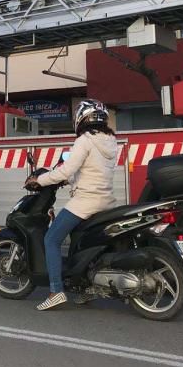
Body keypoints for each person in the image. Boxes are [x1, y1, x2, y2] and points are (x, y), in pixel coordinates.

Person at [25, 100, 118, 311]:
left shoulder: (85, 140)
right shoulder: (111, 141)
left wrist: (39, 180)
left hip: (85, 202)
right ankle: (86, 287)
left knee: (51, 239)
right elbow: (94, 171)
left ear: (82, 118)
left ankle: (56, 291)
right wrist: (71, 181)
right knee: (82, 242)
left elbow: (66, 170)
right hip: (106, 201)